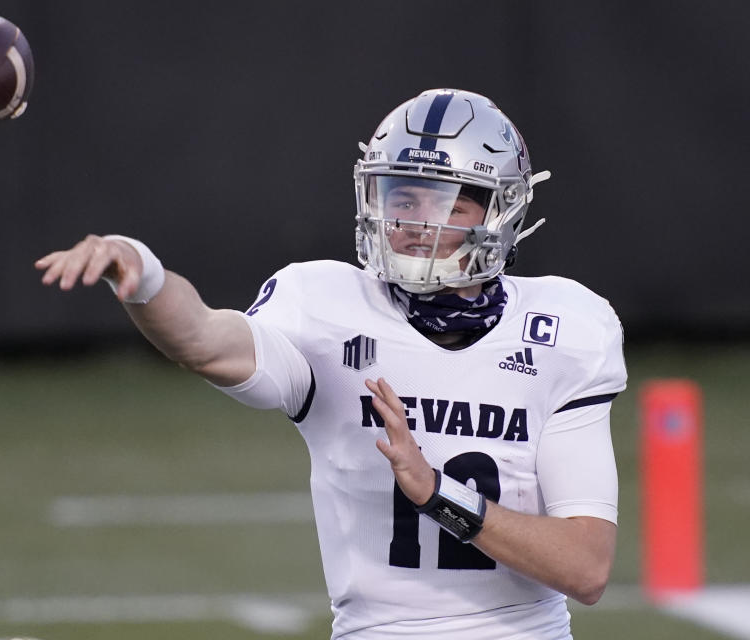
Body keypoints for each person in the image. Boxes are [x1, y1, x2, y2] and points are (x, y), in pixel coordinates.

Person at [35, 88, 626, 640]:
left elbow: (585, 566)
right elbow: (204, 341)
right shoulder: (325, 307)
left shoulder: (564, 328)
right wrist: (140, 271)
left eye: (447, 202)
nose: (417, 224)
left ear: (500, 212)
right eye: (403, 197)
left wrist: (436, 494)